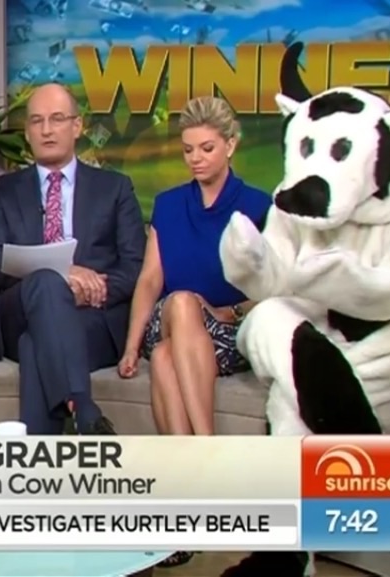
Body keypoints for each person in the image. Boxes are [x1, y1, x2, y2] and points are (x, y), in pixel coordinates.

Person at [117, 95, 271, 568]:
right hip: (168, 318)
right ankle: (208, 458)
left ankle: (185, 509)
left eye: (206, 148)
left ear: (230, 145)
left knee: (166, 358)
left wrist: (231, 310)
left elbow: (276, 287)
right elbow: (150, 280)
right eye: (188, 150)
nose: (196, 159)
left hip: (226, 329)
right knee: (180, 303)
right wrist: (130, 347)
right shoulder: (168, 205)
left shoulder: (258, 205)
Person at [0, 83, 147, 435]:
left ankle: (45, 453)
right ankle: (83, 406)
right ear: (27, 132)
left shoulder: (115, 188)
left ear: (77, 126)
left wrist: (89, 291)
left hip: (91, 318)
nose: (46, 130)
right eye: (36, 121)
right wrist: (62, 276)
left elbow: (133, 267)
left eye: (57, 119)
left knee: (35, 343)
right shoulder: (2, 191)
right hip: (18, 311)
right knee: (46, 282)